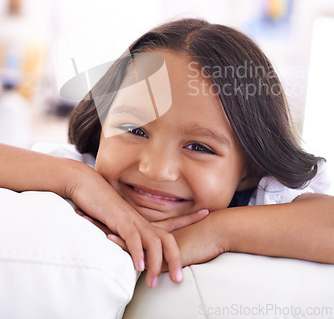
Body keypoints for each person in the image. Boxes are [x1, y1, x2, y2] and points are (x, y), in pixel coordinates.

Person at [1, 17, 333, 290]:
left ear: (250, 168)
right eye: (134, 130)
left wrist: (218, 232)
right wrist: (77, 181)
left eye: (199, 147)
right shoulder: (80, 172)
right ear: (102, 126)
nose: (156, 169)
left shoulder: (262, 202)